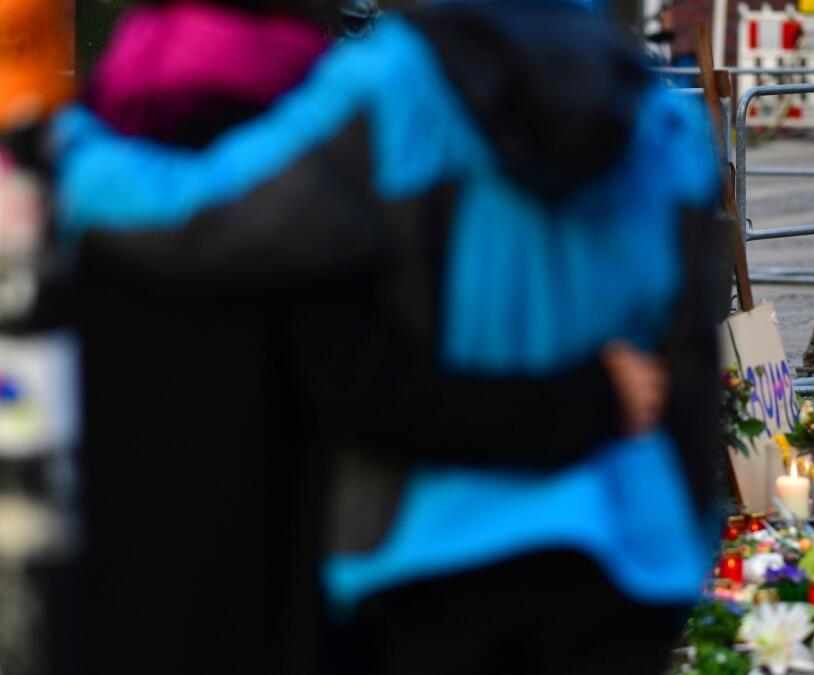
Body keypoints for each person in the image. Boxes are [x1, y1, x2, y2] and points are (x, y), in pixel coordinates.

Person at [53, 1, 722, 674]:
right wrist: (686, 545)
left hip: (428, 554)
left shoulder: (388, 85)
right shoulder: (655, 115)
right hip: (630, 554)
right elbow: (690, 367)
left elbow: (200, 216)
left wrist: (59, 145)